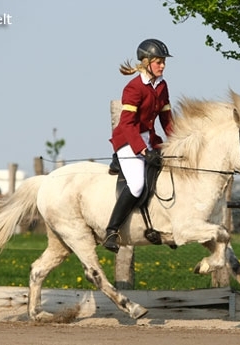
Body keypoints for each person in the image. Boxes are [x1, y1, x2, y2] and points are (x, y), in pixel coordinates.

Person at [103, 38, 174, 253]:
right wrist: (141, 150)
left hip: (150, 138)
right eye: (158, 62)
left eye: (163, 62)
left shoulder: (161, 86)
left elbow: (166, 118)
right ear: (146, 63)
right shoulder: (133, 88)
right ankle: (112, 231)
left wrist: (178, 141)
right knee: (136, 185)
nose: (162, 66)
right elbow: (127, 124)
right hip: (128, 139)